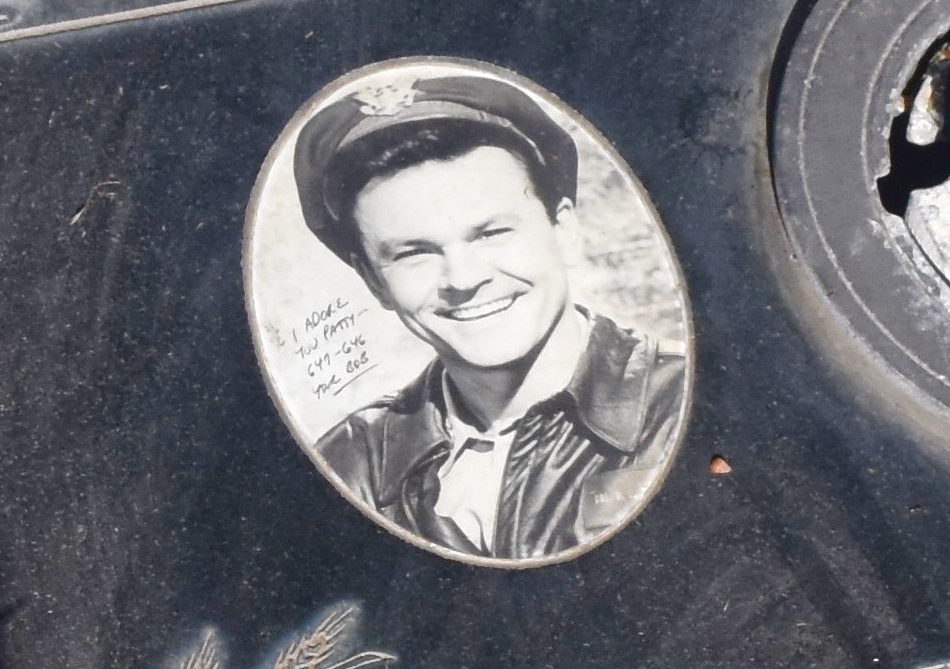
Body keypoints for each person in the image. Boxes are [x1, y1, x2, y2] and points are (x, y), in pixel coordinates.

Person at [293, 71, 684, 560]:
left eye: (492, 233)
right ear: (373, 280)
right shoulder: (349, 465)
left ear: (564, 230)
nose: (462, 278)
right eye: (415, 252)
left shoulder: (690, 405)